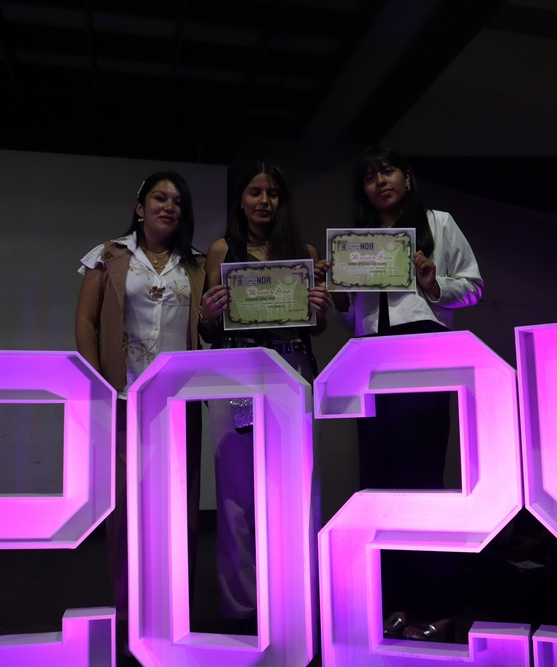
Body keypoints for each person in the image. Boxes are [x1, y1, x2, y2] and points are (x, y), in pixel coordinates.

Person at [332, 145, 484, 641]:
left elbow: (474, 287)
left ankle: (440, 605)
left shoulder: (438, 223)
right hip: (368, 357)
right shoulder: (355, 240)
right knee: (378, 484)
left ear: (408, 177)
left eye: (388, 171)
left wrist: (433, 285)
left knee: (420, 481)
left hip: (422, 351)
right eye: (370, 176)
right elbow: (351, 315)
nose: (380, 181)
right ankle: (395, 598)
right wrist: (337, 297)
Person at [198, 160, 331, 630]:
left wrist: (318, 308)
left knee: (297, 489)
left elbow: (316, 327)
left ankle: (297, 600)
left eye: (272, 193)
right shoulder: (222, 249)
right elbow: (209, 330)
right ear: (241, 199)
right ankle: (242, 607)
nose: (263, 201)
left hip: (292, 370)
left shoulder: (304, 252)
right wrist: (209, 312)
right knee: (237, 495)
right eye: (255, 191)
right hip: (237, 374)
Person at [74, 171, 206, 639]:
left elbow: (209, 327)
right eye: (159, 198)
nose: (168, 206)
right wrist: (99, 384)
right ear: (139, 206)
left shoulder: (196, 264)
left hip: (179, 405)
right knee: (127, 513)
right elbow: (85, 322)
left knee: (180, 513)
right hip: (125, 399)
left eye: (177, 201)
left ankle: (174, 616)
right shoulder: (108, 255)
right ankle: (129, 616)